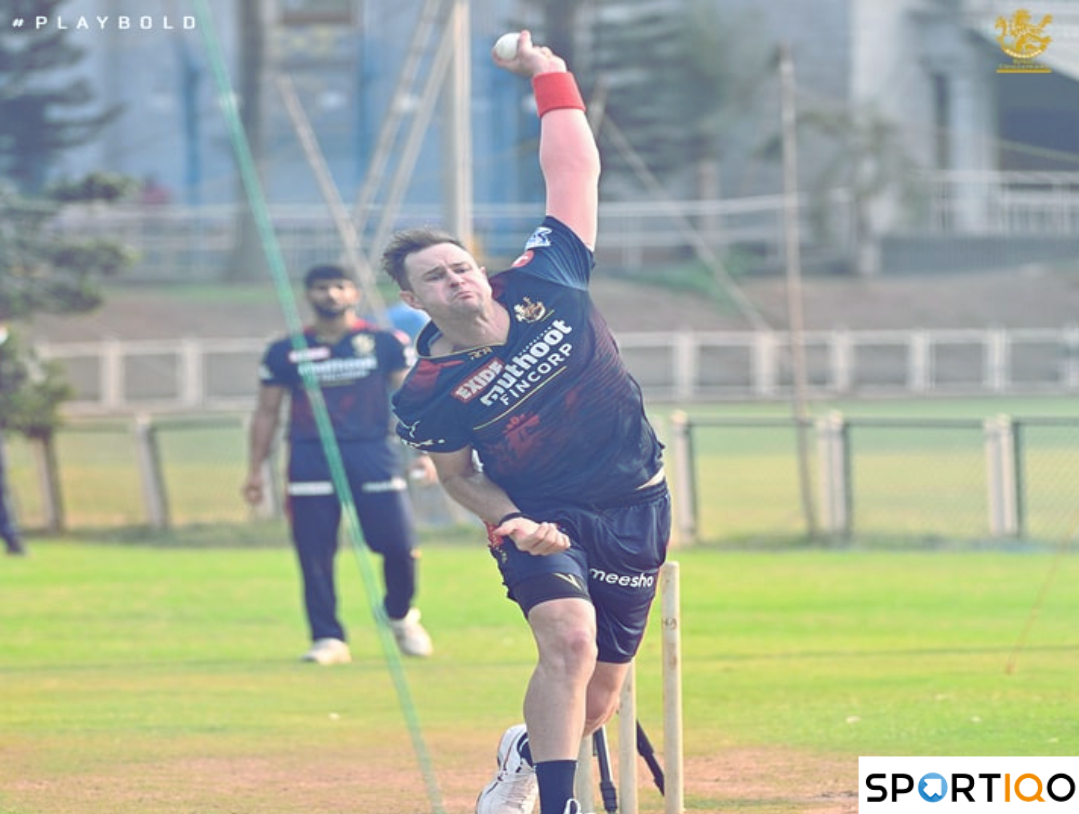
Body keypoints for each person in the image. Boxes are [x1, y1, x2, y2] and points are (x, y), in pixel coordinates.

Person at [381, 31, 670, 814]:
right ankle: (551, 802)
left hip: (635, 501)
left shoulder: (549, 273)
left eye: (461, 264)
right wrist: (510, 520)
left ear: (479, 267)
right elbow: (455, 476)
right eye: (436, 278)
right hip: (539, 517)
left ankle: (521, 753)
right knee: (567, 642)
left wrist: (549, 73)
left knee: (600, 694)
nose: (456, 279)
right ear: (417, 301)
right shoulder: (427, 391)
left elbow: (574, 169)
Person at [241, 264, 433, 664]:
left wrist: (424, 452)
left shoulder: (384, 343)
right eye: (322, 288)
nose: (331, 295)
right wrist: (256, 469)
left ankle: (400, 615)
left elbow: (412, 400)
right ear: (309, 295)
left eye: (339, 287)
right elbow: (266, 412)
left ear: (354, 294)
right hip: (310, 456)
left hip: (373, 453)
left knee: (399, 546)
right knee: (314, 551)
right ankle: (328, 637)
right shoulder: (285, 351)